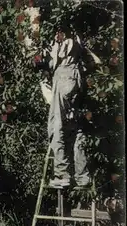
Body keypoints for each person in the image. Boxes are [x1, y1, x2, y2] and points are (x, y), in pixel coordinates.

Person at [42, 24, 95, 188]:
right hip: (77, 78)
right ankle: (83, 175)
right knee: (75, 126)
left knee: (56, 125)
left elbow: (53, 61)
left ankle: (62, 174)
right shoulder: (78, 41)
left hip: (64, 76)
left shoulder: (64, 40)